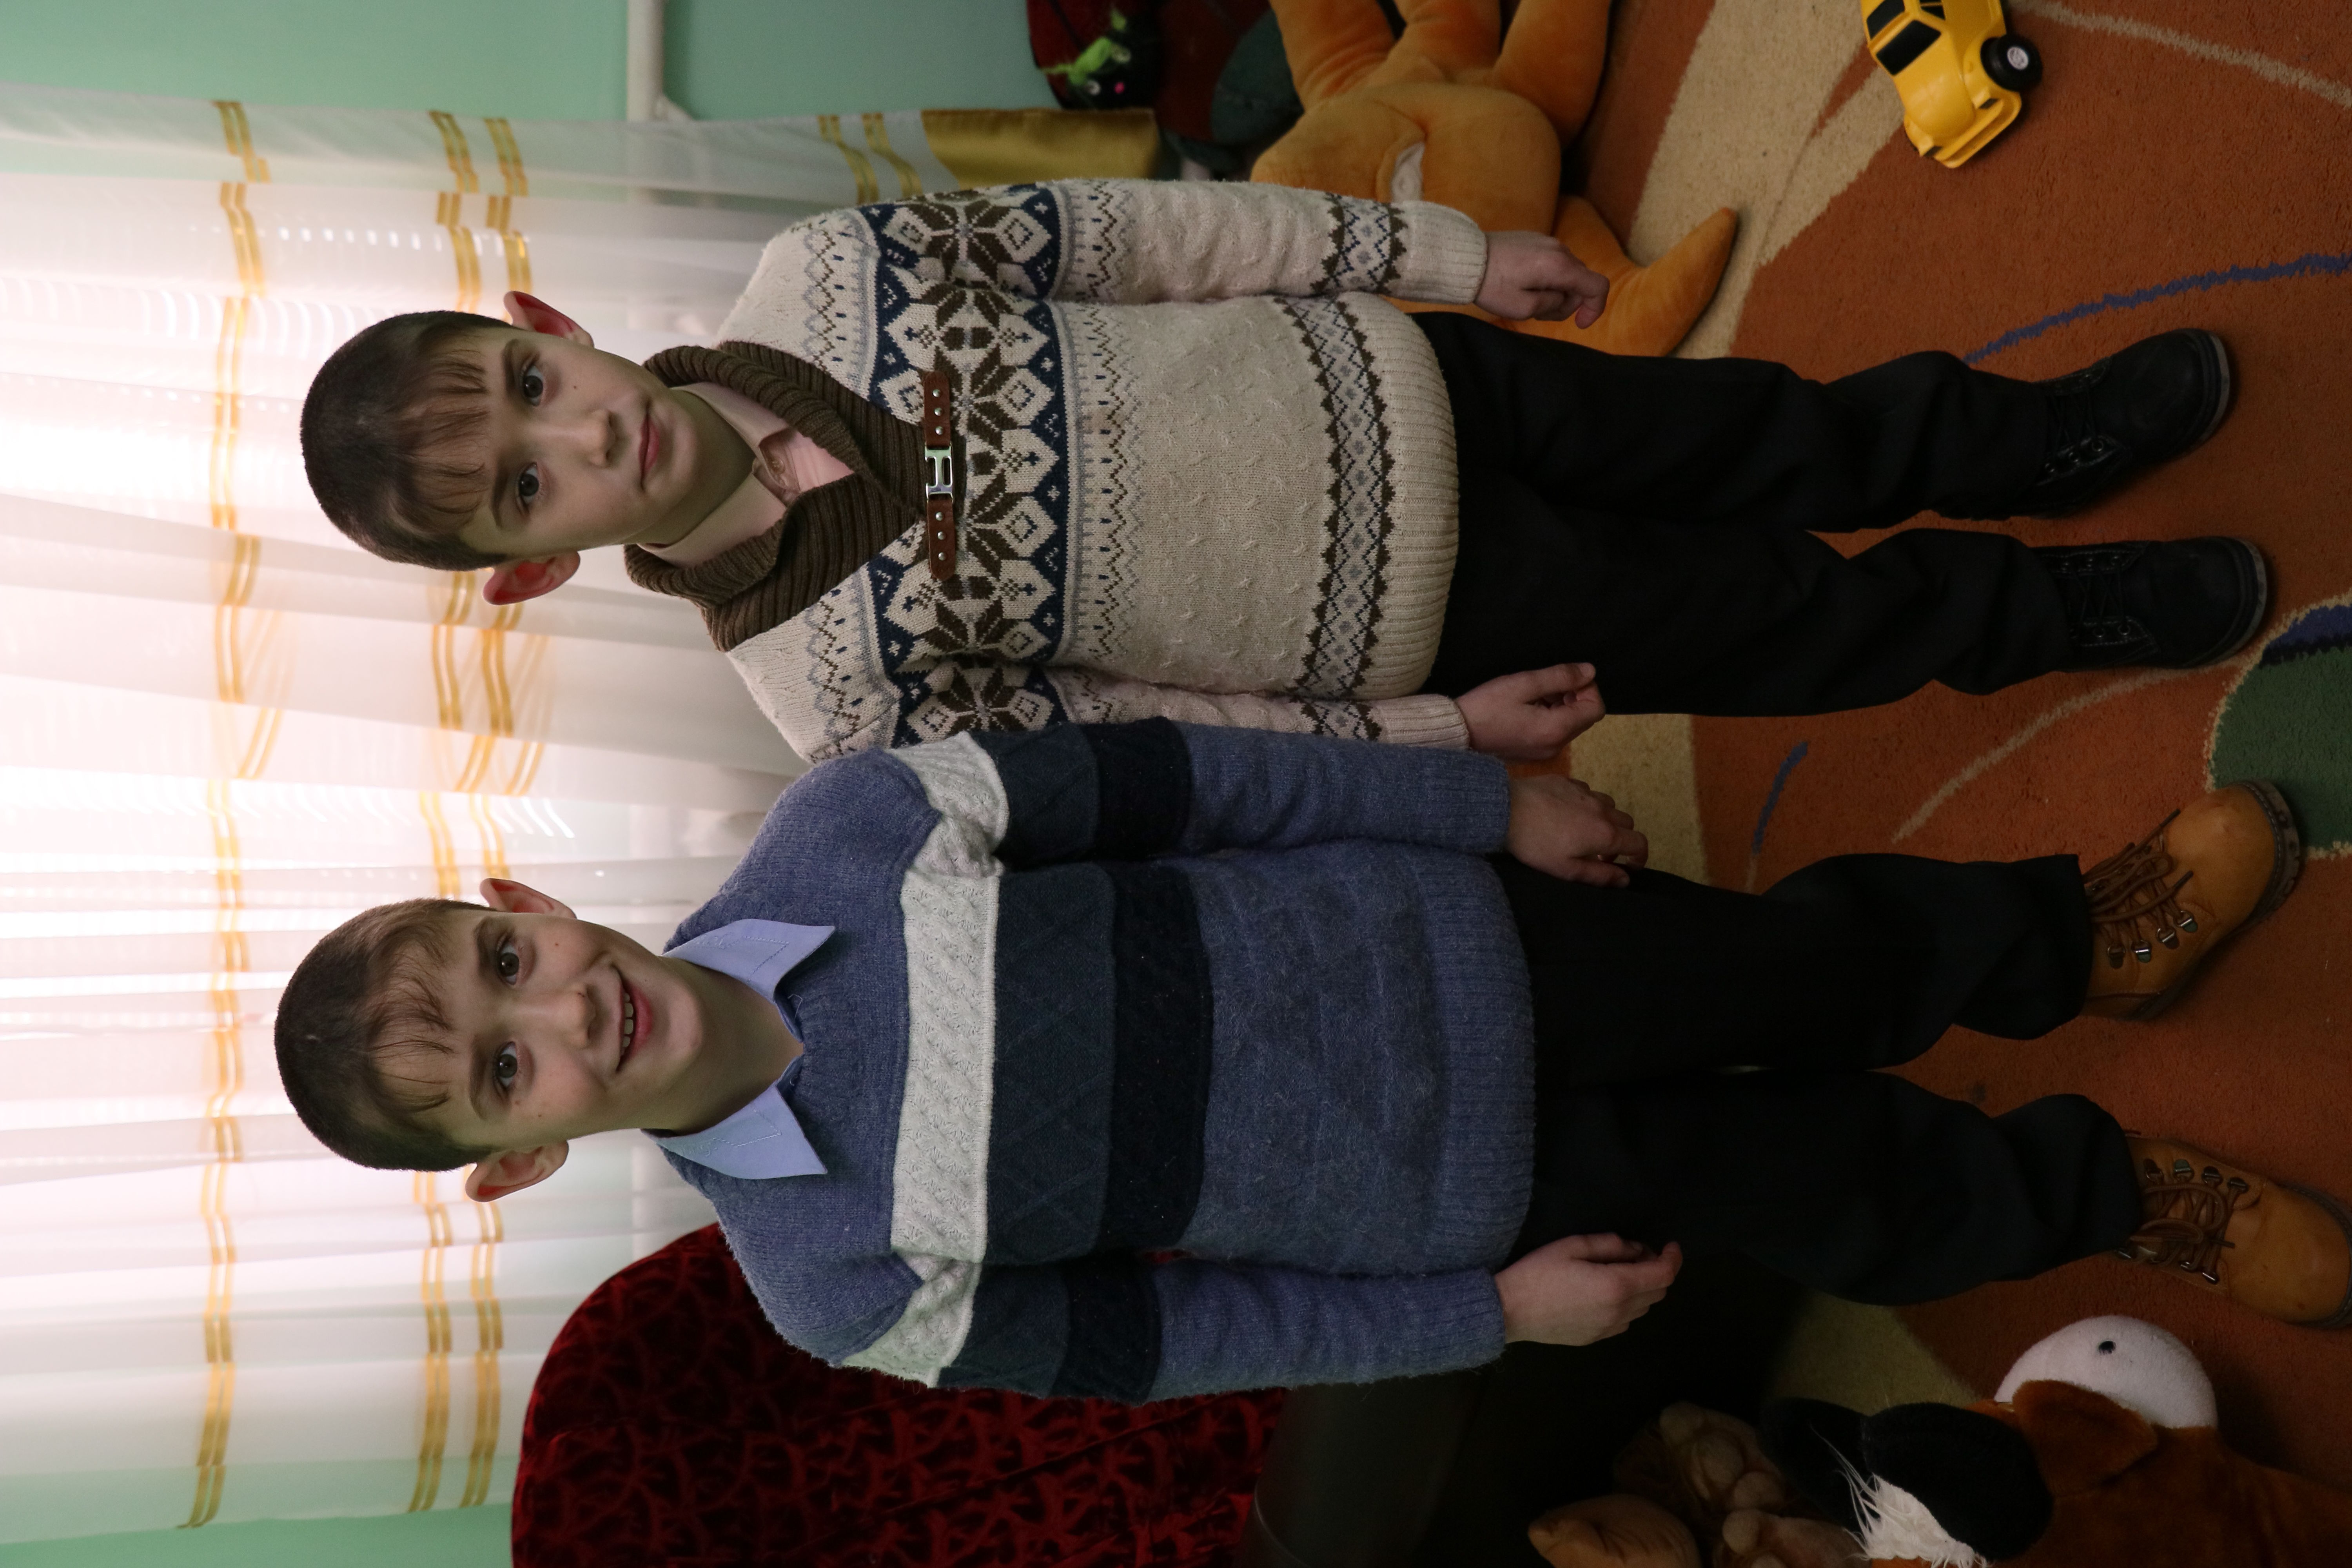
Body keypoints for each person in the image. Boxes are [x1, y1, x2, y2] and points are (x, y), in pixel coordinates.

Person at [275, 720, 2350, 1400]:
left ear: (522, 896)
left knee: (1819, 964)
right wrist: (1482, 1313)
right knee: (1830, 1195)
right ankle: (2121, 1198)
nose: (562, 1012)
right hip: (1473, 1202)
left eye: (504, 960)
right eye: (504, 1075)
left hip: (1484, 935)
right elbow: (1193, 1341)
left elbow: (1202, 782)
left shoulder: (856, 821)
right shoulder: (830, 1285)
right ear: (516, 1165)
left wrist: (1473, 798)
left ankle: (2088, 931)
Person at [298, 180, 2262, 765]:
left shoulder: (825, 272)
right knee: (1777, 621)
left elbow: (1150, 237)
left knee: (1771, 429)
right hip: (1427, 621)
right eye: (527, 488)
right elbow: (1147, 730)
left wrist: (1434, 254)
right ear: (530, 572)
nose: (584, 434)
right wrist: (1431, 736)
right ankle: (2039, 613)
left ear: (546, 318)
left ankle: (2035, 440)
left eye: (530, 384)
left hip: (1414, 379)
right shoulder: (824, 689)